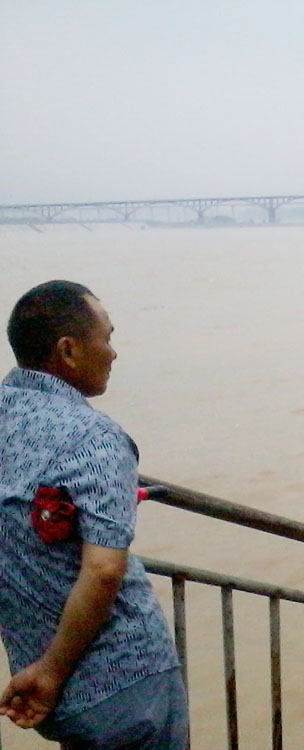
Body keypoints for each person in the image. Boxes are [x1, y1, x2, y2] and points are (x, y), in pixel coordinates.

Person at [0, 281, 187, 748]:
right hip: (125, 682)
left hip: (48, 685)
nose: (113, 353)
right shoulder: (94, 437)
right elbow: (104, 570)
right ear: (68, 351)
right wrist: (51, 672)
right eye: (107, 338)